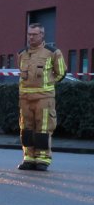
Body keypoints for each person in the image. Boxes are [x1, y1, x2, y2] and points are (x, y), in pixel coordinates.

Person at [17, 23, 67, 170]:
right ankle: (29, 157)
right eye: (29, 34)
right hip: (25, 98)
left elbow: (61, 73)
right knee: (26, 129)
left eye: (34, 34)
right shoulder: (22, 53)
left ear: (42, 35)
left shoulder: (53, 52)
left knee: (43, 129)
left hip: (44, 98)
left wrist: (48, 84)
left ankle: (43, 159)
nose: (31, 37)